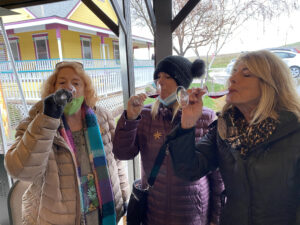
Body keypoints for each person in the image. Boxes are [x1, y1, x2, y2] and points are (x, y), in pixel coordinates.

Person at [167, 50, 300, 225]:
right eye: (234, 72)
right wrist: (187, 123)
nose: (232, 79)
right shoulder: (224, 129)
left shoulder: (294, 131)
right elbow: (188, 170)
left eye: (246, 74)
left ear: (272, 84)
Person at [5, 61, 129, 225]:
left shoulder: (103, 117)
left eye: (76, 83)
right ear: (53, 89)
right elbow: (20, 170)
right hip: (58, 218)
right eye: (62, 82)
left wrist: (124, 197)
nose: (69, 88)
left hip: (100, 215)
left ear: (85, 89)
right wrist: (48, 118)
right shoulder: (37, 121)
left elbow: (116, 161)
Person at [113, 55, 224, 225]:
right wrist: (130, 118)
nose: (160, 82)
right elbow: (123, 153)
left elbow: (217, 177)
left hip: (193, 212)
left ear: (182, 82)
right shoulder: (145, 115)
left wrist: (216, 219)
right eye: (158, 77)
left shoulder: (205, 117)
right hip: (153, 210)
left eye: (167, 77)